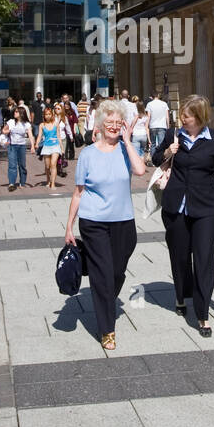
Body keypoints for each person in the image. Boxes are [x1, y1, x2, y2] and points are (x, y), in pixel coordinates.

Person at [151, 95, 214, 338]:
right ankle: (181, 295)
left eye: (186, 116)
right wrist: (168, 150)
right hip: (176, 207)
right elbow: (155, 159)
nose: (182, 119)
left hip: (206, 209)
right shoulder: (172, 135)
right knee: (179, 257)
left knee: (203, 260)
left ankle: (202, 314)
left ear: (199, 117)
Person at [64, 100, 145, 350]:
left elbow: (141, 171)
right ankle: (107, 329)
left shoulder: (125, 149)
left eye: (117, 122)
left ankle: (104, 299)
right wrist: (69, 226)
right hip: (94, 222)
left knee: (116, 273)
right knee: (102, 275)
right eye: (108, 122)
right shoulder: (88, 154)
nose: (113, 126)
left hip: (123, 222)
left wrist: (129, 141)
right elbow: (78, 192)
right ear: (99, 124)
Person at [3, 106, 33, 190]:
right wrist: (9, 130)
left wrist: (33, 146)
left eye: (16, 112)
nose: (14, 113)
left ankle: (22, 182)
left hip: (22, 146)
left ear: (21, 113)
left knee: (22, 165)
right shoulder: (11, 122)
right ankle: (11, 183)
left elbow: (30, 135)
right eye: (14, 112)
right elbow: (3, 130)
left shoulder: (26, 124)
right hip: (12, 146)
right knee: (12, 165)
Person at [38, 103, 64, 189]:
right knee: (47, 166)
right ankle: (48, 180)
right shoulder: (42, 125)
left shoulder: (56, 124)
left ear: (52, 115)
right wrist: (35, 144)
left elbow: (59, 136)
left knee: (53, 164)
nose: (48, 116)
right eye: (46, 114)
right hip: (46, 147)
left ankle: (53, 184)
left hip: (55, 146)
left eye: (49, 114)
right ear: (44, 115)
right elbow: (39, 136)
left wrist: (62, 148)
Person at [147, 90, 170, 154]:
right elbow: (167, 116)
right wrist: (168, 126)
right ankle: (160, 159)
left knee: (153, 144)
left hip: (152, 126)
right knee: (161, 144)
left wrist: (147, 126)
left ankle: (153, 161)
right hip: (162, 125)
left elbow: (148, 117)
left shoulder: (149, 104)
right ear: (158, 95)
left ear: (151, 96)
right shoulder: (164, 104)